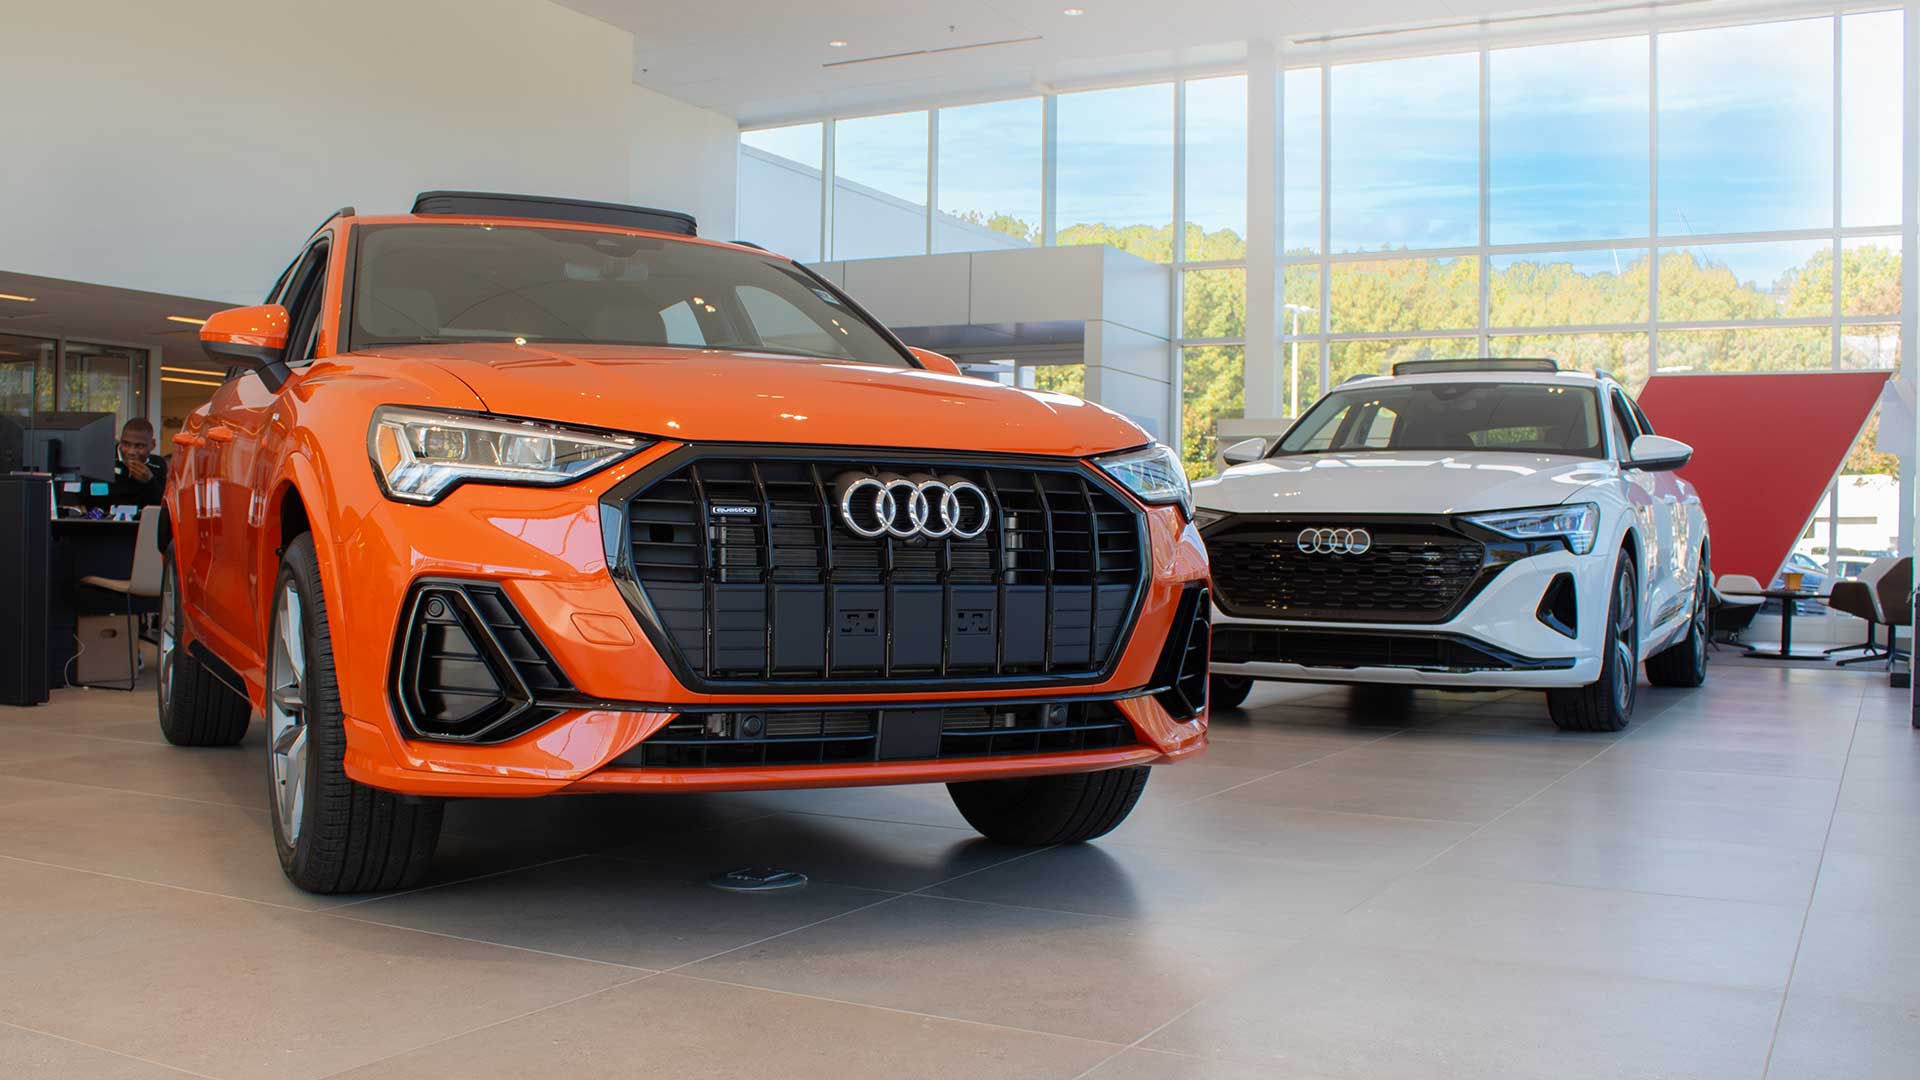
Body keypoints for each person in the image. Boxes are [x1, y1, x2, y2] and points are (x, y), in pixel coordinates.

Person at [111, 417, 167, 506]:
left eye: (139, 446)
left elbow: (162, 504)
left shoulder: (158, 464)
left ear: (152, 445)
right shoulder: (106, 460)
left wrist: (150, 481)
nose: (131, 452)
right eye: (126, 444)